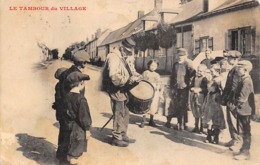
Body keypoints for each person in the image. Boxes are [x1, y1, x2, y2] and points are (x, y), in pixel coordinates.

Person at [102, 37, 140, 147]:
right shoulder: (113, 57)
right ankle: (116, 137)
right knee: (119, 113)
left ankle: (123, 134)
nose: (129, 54)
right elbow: (113, 76)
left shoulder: (125, 55)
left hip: (125, 88)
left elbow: (131, 70)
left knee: (126, 112)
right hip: (116, 88)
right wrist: (128, 80)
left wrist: (137, 76)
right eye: (128, 51)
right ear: (122, 48)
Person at [55, 52, 90, 162]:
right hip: (72, 111)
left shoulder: (66, 72)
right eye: (86, 63)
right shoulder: (77, 75)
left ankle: (61, 156)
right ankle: (68, 159)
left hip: (62, 109)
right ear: (83, 63)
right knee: (71, 136)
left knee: (64, 133)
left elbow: (59, 91)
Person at [166, 48, 195, 130]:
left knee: (183, 105)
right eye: (179, 55)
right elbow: (172, 77)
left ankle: (183, 123)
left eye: (182, 55)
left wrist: (189, 83)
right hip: (176, 88)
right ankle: (179, 122)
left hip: (184, 88)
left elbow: (192, 74)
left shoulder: (187, 64)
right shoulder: (175, 65)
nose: (180, 57)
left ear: (185, 56)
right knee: (177, 105)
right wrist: (172, 87)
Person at [233, 60, 255, 160]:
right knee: (242, 130)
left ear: (245, 70)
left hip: (245, 109)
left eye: (239, 68)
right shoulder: (243, 79)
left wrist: (234, 105)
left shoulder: (246, 81)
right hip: (242, 109)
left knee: (245, 131)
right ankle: (243, 150)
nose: (237, 70)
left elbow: (242, 98)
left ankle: (246, 152)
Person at [221, 50, 242, 152]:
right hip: (229, 99)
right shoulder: (232, 70)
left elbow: (234, 87)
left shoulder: (237, 70)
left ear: (234, 59)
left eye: (229, 58)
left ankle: (238, 141)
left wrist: (230, 100)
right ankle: (233, 139)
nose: (227, 59)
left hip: (233, 100)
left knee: (234, 121)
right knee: (230, 120)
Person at [202, 64, 226, 144]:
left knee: (216, 118)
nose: (211, 73)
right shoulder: (210, 79)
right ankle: (209, 135)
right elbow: (208, 88)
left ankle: (216, 136)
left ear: (217, 71)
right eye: (210, 71)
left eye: (212, 71)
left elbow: (223, 88)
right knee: (209, 118)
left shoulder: (219, 79)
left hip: (216, 100)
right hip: (209, 99)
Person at [140, 59, 162, 128]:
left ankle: (151, 120)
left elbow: (159, 83)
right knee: (146, 105)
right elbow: (142, 81)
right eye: (152, 65)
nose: (153, 67)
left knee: (153, 105)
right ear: (149, 65)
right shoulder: (145, 73)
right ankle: (143, 120)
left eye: (155, 66)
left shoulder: (157, 75)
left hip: (154, 91)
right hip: (147, 90)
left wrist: (158, 86)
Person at [189, 64, 208, 133]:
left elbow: (206, 89)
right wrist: (191, 88)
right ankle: (196, 126)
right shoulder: (195, 78)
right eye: (198, 71)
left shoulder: (204, 79)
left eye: (201, 71)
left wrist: (200, 90)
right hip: (194, 96)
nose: (199, 72)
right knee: (195, 111)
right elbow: (191, 86)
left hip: (200, 97)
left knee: (201, 112)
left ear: (204, 72)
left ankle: (201, 128)